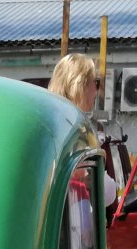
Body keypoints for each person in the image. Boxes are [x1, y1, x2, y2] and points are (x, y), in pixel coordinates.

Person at [48, 53, 118, 208]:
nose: (97, 90)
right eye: (96, 82)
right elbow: (106, 193)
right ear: (81, 85)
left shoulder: (49, 122)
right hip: (71, 224)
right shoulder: (78, 130)